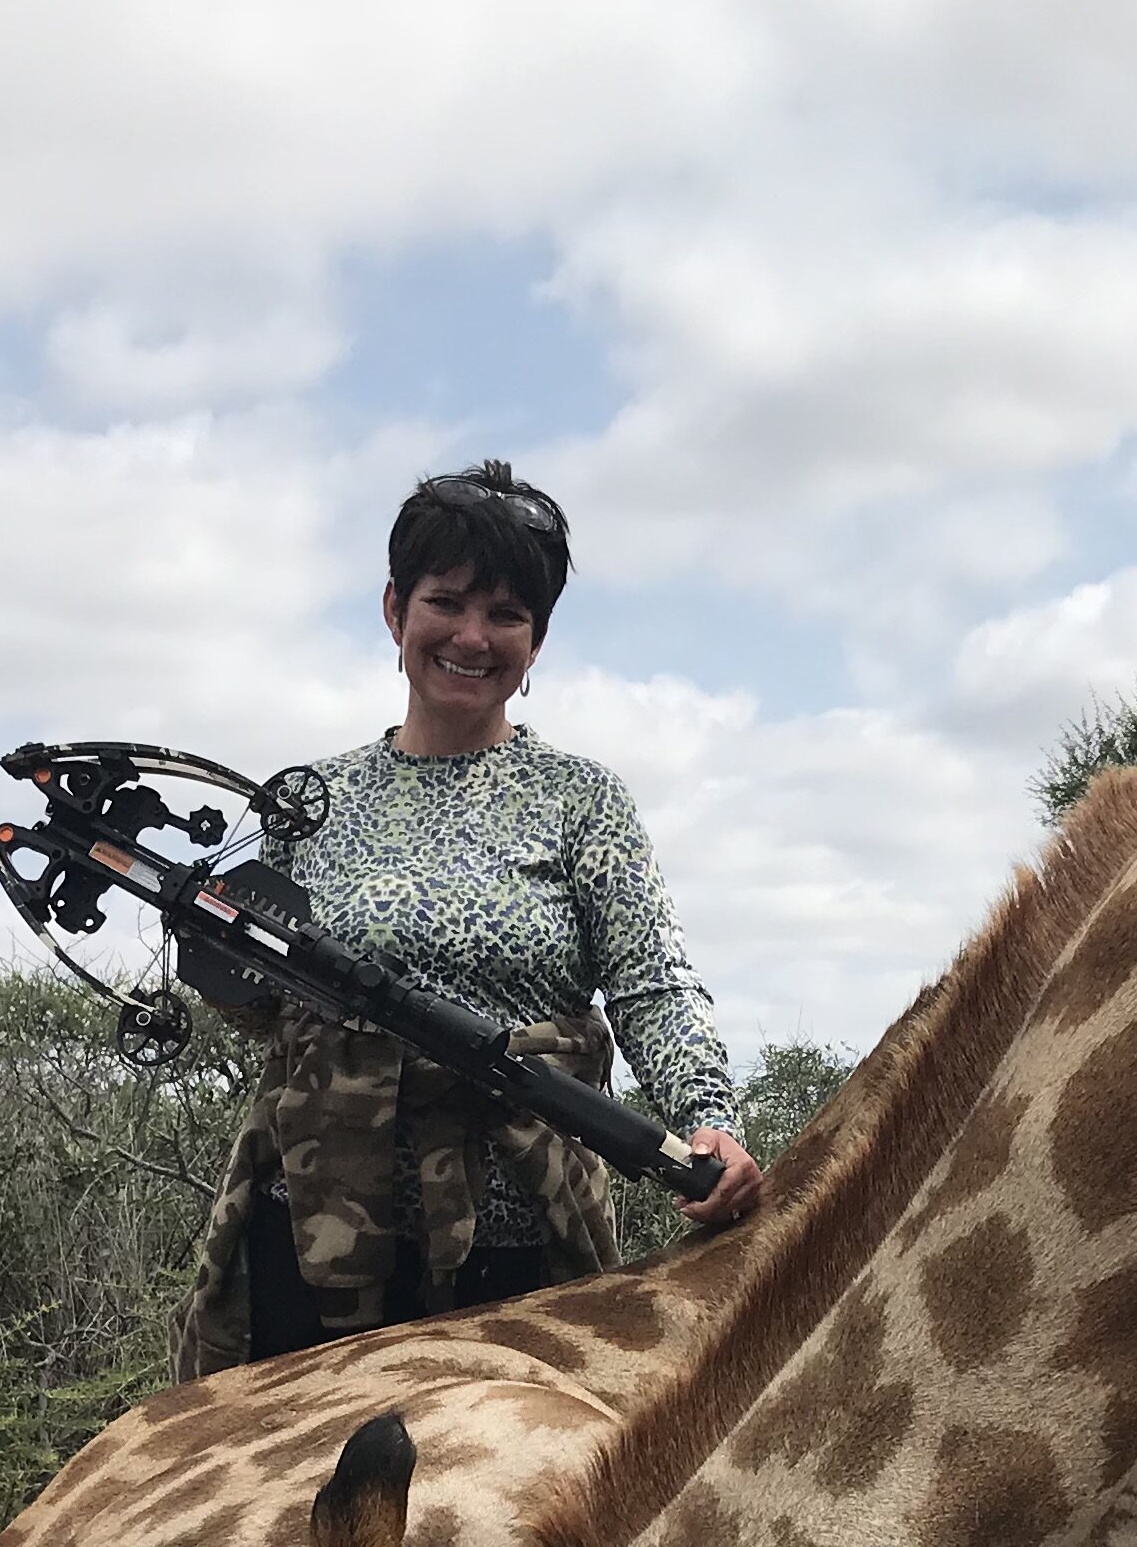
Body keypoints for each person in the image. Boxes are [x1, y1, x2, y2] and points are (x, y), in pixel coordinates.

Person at [170, 461, 760, 1376]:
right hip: (312, 1237)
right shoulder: (306, 799)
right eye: (447, 603)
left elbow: (652, 981)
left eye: (508, 616)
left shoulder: (580, 799)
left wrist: (705, 1115)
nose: (473, 638)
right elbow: (259, 1006)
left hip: (519, 1244)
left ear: (538, 641)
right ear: (395, 611)